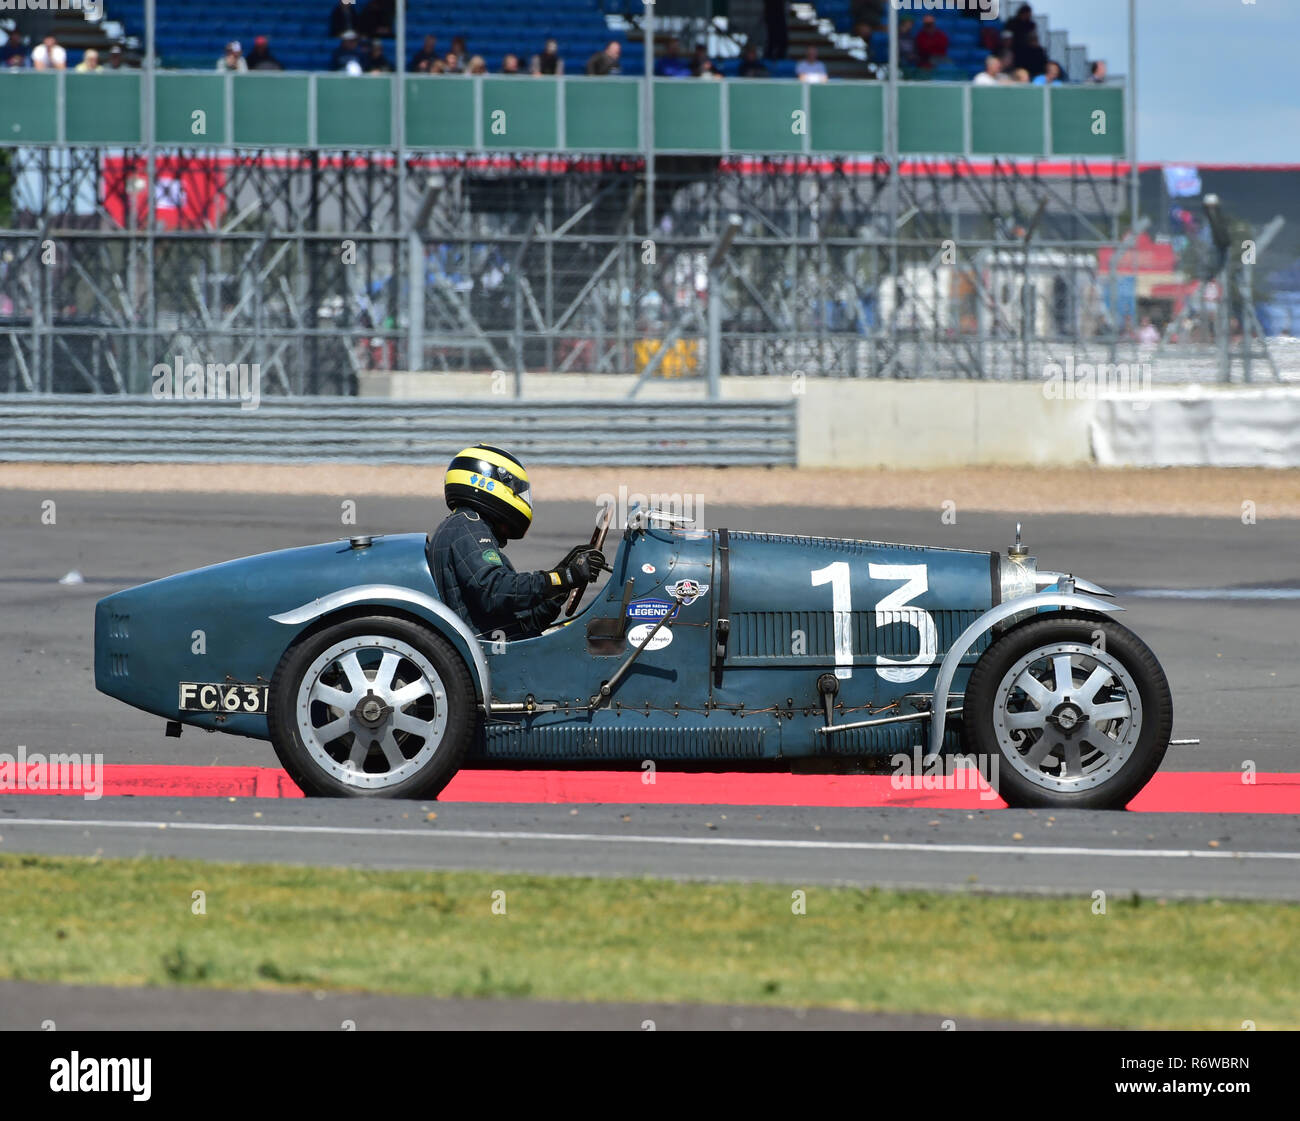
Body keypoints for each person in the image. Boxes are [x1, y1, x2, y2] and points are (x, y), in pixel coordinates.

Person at [427, 445, 606, 641]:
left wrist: (562, 583)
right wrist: (564, 577)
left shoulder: (462, 527)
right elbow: (495, 591)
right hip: (493, 651)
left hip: (499, 642)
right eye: (519, 491)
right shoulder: (468, 524)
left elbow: (526, 620)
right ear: (498, 482)